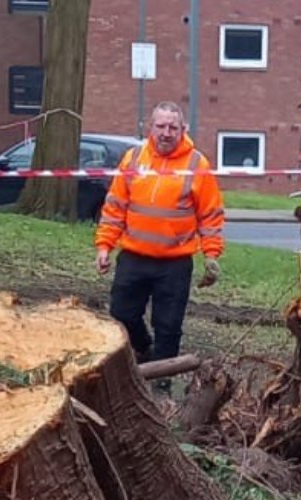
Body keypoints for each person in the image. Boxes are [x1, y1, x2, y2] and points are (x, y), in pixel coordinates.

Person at [94, 102, 224, 366]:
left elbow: (210, 214)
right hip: (133, 256)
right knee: (122, 314)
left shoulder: (197, 164)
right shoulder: (133, 159)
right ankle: (144, 351)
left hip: (174, 263)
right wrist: (104, 245)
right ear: (149, 127)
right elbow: (115, 206)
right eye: (161, 126)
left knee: (169, 325)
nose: (166, 133)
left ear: (183, 129)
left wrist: (211, 254)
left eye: (172, 127)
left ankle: (164, 378)